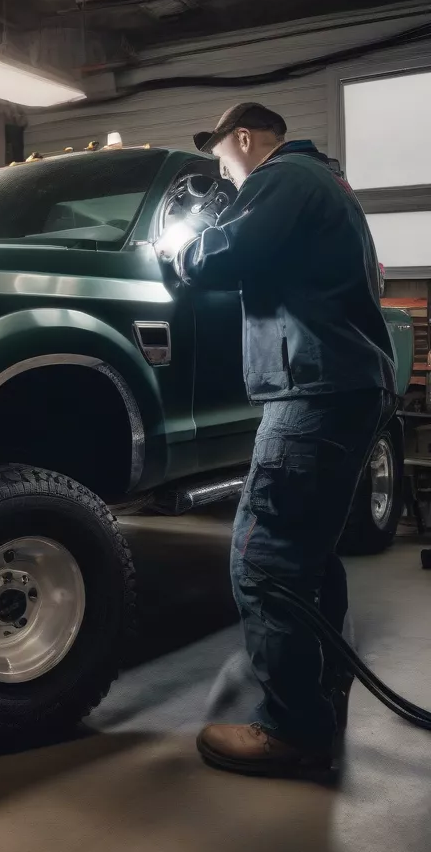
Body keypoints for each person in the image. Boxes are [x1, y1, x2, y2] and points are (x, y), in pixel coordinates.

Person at [163, 102, 398, 777]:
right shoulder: (323, 183)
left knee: (263, 557)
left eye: (220, 157)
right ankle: (321, 688)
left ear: (244, 139)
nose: (221, 169)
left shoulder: (283, 179)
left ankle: (293, 730)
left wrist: (185, 249)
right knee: (311, 551)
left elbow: (230, 253)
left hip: (316, 388)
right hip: (342, 383)